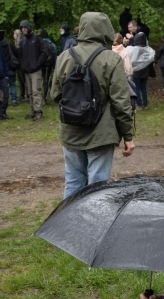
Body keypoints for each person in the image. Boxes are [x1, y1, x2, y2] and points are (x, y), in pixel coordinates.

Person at [51, 11, 135, 199]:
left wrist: (76, 109)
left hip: (70, 130)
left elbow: (55, 94)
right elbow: (121, 102)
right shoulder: (111, 59)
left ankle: (69, 226)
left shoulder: (64, 56)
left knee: (73, 182)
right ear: (105, 30)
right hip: (101, 133)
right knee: (98, 186)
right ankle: (95, 227)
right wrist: (128, 136)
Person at [19, 20, 48, 121]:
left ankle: (38, 111)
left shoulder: (37, 39)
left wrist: (37, 64)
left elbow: (44, 53)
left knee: (36, 91)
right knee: (30, 92)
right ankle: (33, 110)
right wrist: (22, 66)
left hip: (35, 70)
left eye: (24, 27)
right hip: (26, 70)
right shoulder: (22, 41)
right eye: (21, 28)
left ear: (29, 27)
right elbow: (21, 55)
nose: (23, 30)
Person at [0, 31, 19, 106]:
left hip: (3, 71)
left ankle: (3, 101)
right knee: (12, 84)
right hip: (11, 67)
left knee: (3, 87)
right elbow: (17, 54)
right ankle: (14, 99)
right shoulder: (9, 44)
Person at [39, 29, 57, 105]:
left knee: (39, 81)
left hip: (40, 65)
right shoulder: (52, 44)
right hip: (49, 66)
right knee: (46, 81)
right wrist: (54, 68)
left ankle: (38, 97)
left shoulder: (39, 44)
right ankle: (45, 98)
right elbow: (55, 57)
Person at [13, 30, 28, 101]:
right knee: (20, 80)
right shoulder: (15, 43)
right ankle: (22, 94)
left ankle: (27, 95)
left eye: (15, 34)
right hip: (18, 64)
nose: (13, 35)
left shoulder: (21, 44)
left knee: (24, 80)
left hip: (22, 64)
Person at [0, 45, 12, 120]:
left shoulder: (0, 51)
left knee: (5, 95)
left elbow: (4, 62)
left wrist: (6, 74)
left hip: (2, 77)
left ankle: (2, 113)